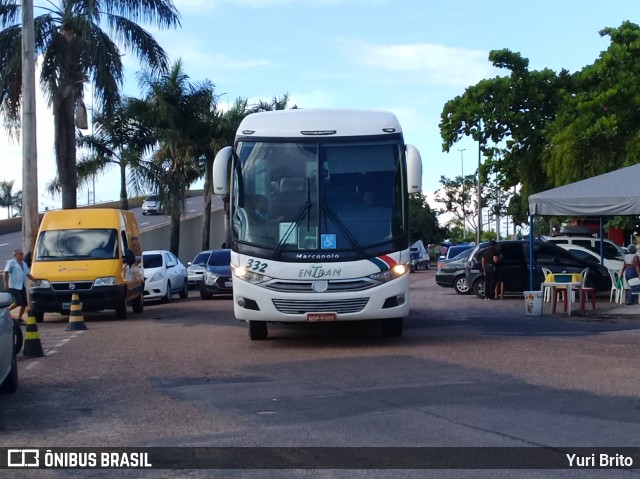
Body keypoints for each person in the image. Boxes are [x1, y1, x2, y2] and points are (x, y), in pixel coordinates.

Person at [3, 248, 37, 323]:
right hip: (14, 285)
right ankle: (6, 311)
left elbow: (28, 274)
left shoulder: (24, 264)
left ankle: (19, 318)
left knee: (24, 303)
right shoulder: (11, 262)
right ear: (15, 255)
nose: (22, 255)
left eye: (22, 254)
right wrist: (5, 283)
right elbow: (5, 272)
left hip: (21, 285)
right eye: (20, 254)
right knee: (18, 302)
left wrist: (34, 280)